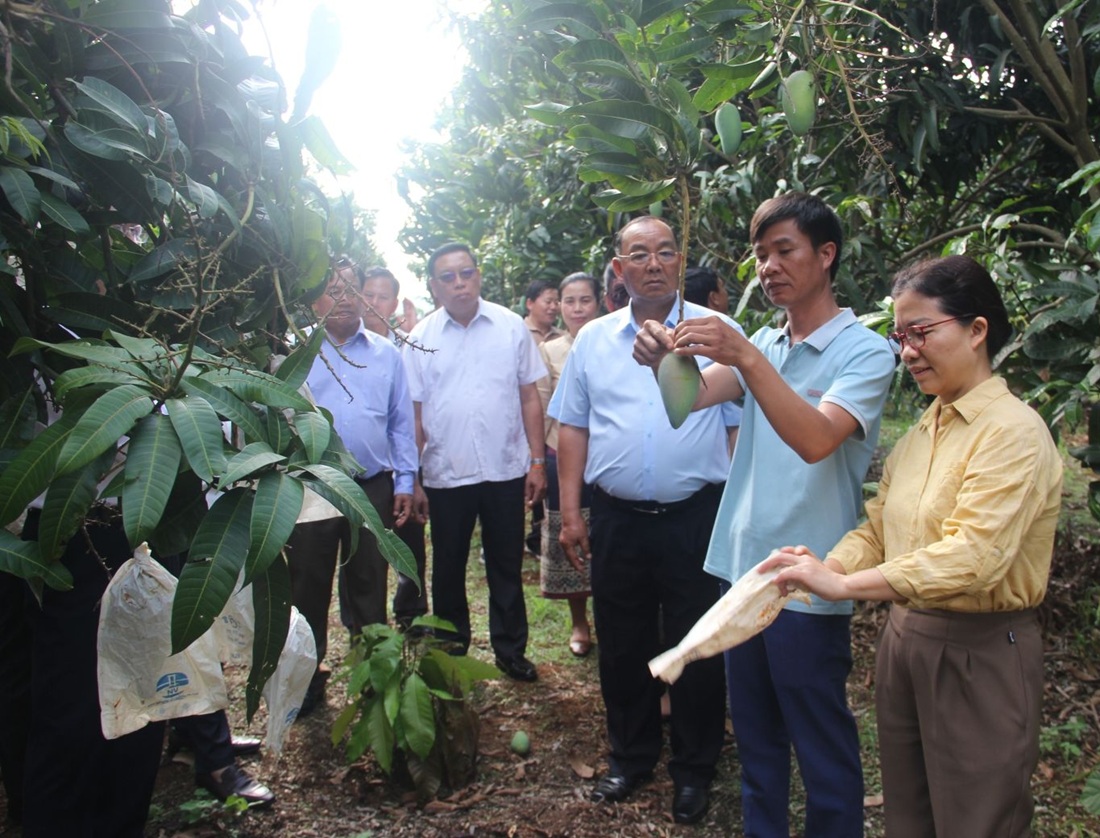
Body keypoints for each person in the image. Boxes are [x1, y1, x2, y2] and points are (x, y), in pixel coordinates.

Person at [764, 255, 1062, 838]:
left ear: (977, 330)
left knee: (976, 817)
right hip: (907, 640)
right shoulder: (928, 427)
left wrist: (844, 586)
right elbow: (879, 525)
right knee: (909, 813)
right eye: (901, 335)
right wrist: (826, 564)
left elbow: (973, 557)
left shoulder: (1013, 432)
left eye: (921, 332)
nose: (907, 350)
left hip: (979, 652)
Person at [634, 191, 897, 836]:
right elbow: (688, 401)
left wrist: (745, 356)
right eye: (761, 256)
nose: (770, 267)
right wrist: (664, 355)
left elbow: (815, 440)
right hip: (742, 569)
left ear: (826, 255)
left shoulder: (863, 352)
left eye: (785, 251)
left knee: (822, 746)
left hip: (808, 578)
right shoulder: (766, 343)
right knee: (756, 745)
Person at [550, 216, 741, 825]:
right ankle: (630, 758)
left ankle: (694, 768)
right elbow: (574, 427)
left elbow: (737, 430)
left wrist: (739, 514)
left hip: (697, 516)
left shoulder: (719, 332)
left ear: (681, 260)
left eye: (664, 252)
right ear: (619, 268)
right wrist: (572, 511)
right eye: (639, 254)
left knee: (697, 644)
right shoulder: (593, 341)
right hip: (619, 519)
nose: (653, 263)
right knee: (624, 642)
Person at [403, 243, 548, 682]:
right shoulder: (419, 340)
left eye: (466, 273)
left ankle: (510, 650)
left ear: (478, 275)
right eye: (448, 277)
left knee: (505, 564)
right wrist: (416, 479)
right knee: (447, 568)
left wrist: (537, 461)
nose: (459, 282)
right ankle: (452, 650)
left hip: (506, 469)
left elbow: (529, 396)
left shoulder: (509, 327)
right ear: (433, 286)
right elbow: (415, 413)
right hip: (446, 473)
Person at [286, 257, 418, 715]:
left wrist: (405, 479)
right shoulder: (294, 353)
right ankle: (307, 682)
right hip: (311, 488)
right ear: (313, 298)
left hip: (371, 488)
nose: (344, 297)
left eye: (352, 288)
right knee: (307, 587)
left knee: (368, 585)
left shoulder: (387, 354)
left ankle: (373, 681)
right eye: (332, 288)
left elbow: (401, 424)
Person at [360, 266, 431, 627]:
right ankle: (365, 626)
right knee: (361, 555)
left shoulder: (409, 345)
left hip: (402, 466)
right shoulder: (343, 349)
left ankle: (411, 613)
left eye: (382, 296)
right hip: (366, 471)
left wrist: (412, 474)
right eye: (367, 294)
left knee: (409, 542)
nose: (373, 303)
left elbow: (411, 415)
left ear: (394, 303)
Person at [535, 272, 601, 657]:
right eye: (569, 301)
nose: (577, 308)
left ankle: (610, 612)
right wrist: (539, 464)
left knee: (606, 538)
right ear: (559, 307)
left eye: (585, 300)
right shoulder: (551, 350)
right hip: (563, 455)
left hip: (607, 458)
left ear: (599, 302)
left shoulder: (615, 342)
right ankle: (580, 621)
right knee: (569, 536)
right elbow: (544, 410)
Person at [522, 279, 562, 557]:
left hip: (551, 427)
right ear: (530, 303)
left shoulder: (561, 337)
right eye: (547, 300)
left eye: (555, 301)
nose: (553, 306)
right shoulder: (518, 332)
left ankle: (540, 536)